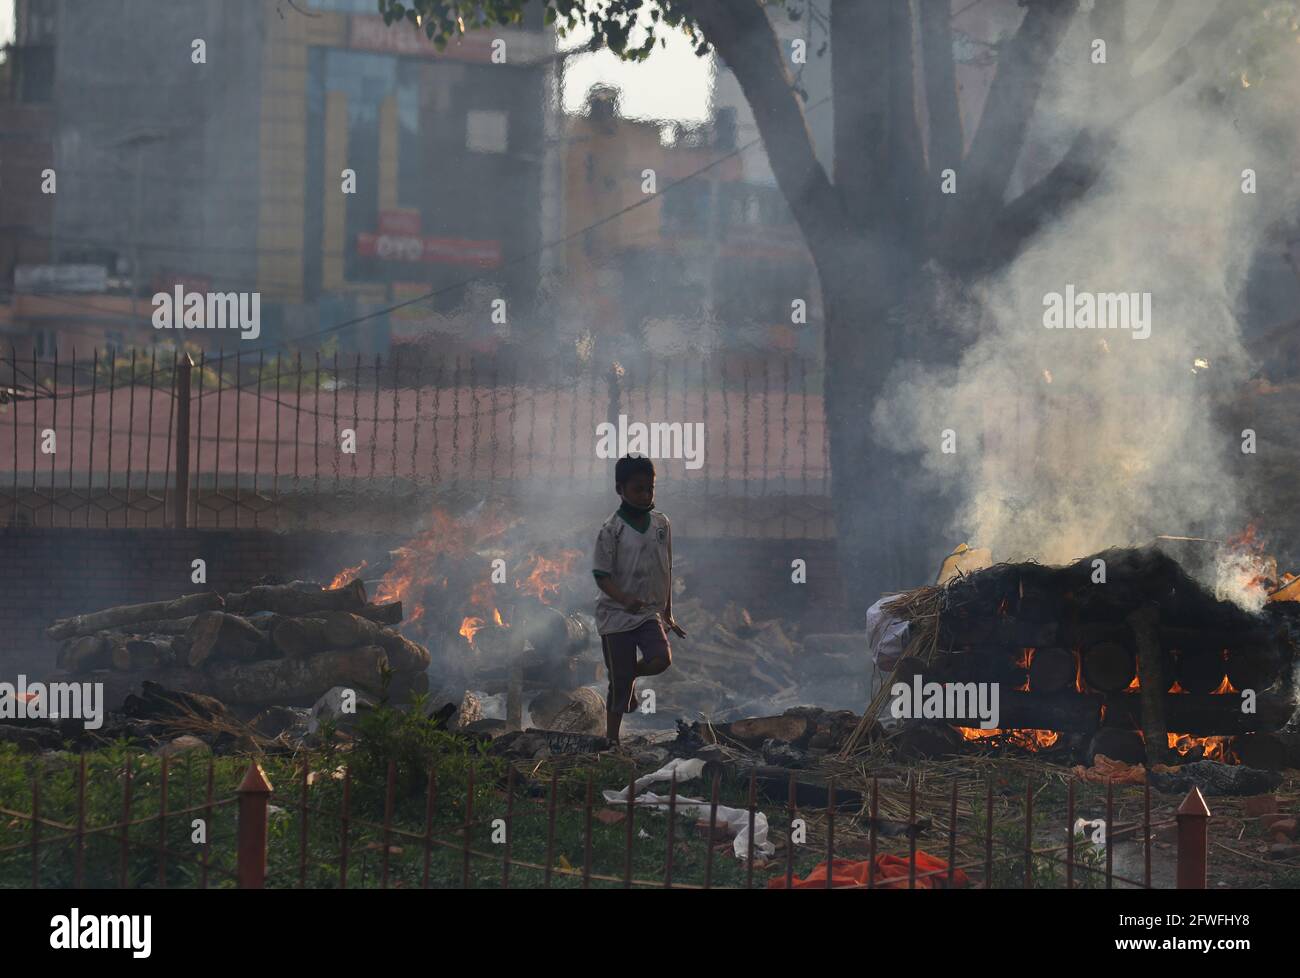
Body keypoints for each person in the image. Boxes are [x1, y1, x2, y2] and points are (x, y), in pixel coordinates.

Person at [591, 455, 686, 745]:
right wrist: (623, 598)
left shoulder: (662, 524)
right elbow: (601, 575)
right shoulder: (611, 529)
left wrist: (668, 611)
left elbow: (666, 568)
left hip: (647, 614)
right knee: (619, 687)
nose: (646, 495)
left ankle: (626, 675)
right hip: (615, 616)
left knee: (660, 660)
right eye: (638, 489)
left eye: (650, 488)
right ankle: (611, 742)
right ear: (620, 490)